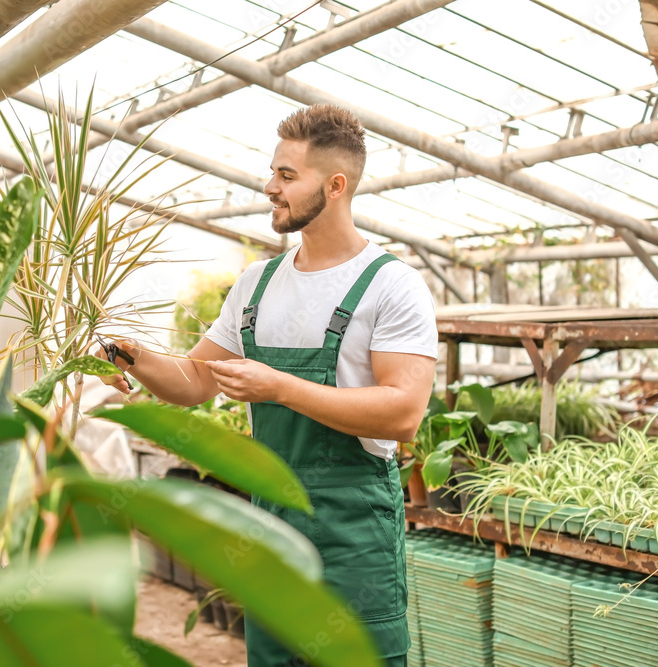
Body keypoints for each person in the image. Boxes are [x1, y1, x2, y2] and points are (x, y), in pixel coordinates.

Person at [97, 104, 438, 666]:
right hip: (271, 533)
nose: (268, 187)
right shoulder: (256, 285)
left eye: (286, 175)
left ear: (335, 185)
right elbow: (194, 381)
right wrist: (134, 358)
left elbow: (402, 413)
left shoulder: (391, 286)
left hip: (352, 537)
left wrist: (277, 386)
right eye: (272, 172)